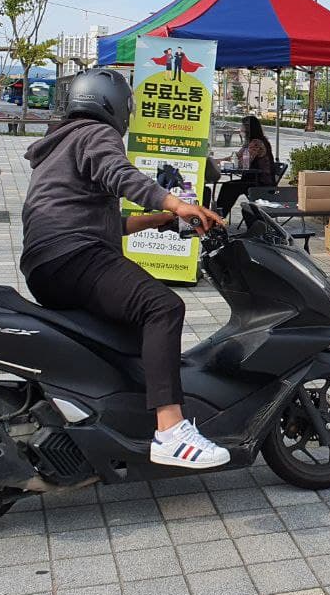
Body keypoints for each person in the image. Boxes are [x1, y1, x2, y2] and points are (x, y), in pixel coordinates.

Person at [20, 67, 230, 469]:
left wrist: (159, 221)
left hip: (48, 264)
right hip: (74, 255)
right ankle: (170, 430)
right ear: (114, 106)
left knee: (127, 328)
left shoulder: (58, 144)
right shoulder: (96, 134)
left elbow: (96, 221)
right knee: (162, 308)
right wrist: (176, 202)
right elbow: (119, 175)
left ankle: (119, 413)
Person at [214, 115, 276, 217]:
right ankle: (218, 216)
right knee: (228, 186)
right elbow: (235, 157)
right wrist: (217, 161)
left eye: (242, 126)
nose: (240, 129)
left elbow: (243, 164)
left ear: (248, 128)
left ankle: (218, 218)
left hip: (261, 183)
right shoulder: (250, 142)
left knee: (229, 188)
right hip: (252, 180)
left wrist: (230, 163)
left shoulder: (257, 143)